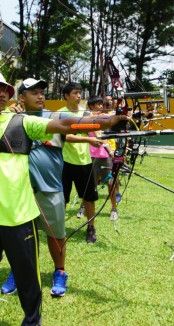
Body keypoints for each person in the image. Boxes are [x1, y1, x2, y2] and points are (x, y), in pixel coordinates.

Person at [0, 70, 126, 326]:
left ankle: (32, 322)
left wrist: (108, 122)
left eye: (4, 89)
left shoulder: (22, 121)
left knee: (28, 277)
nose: (2, 93)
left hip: (21, 216)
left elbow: (65, 125)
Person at [0, 78, 70, 298]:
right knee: (21, 235)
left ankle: (60, 271)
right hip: (19, 191)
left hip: (50, 187)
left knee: (56, 234)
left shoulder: (56, 117)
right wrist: (6, 112)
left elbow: (84, 122)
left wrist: (112, 118)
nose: (40, 96)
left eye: (42, 92)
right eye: (34, 93)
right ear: (21, 97)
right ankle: (19, 271)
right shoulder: (10, 118)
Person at [59, 82, 104, 243]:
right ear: (66, 96)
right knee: (62, 198)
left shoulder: (85, 113)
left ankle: (91, 227)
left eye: (80, 93)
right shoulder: (59, 114)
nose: (79, 96)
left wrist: (100, 128)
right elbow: (65, 136)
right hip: (64, 162)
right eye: (75, 93)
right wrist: (88, 139)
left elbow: (97, 129)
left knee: (89, 198)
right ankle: (59, 229)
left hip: (84, 162)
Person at [87, 96, 119, 221]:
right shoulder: (87, 118)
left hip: (104, 156)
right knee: (91, 184)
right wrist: (110, 150)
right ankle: (85, 208)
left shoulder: (104, 117)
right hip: (91, 155)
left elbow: (116, 115)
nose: (101, 106)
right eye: (97, 104)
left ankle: (114, 208)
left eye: (101, 104)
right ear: (91, 106)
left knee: (110, 182)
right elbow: (98, 134)